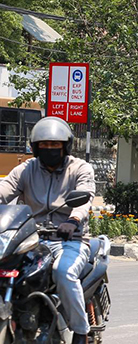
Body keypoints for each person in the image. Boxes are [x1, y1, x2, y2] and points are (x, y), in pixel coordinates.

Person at [0, 117, 96, 344]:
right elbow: (5, 189)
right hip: (30, 240)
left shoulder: (79, 168)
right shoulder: (26, 169)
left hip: (70, 239)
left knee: (63, 273)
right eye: (44, 144)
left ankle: (80, 332)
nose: (49, 148)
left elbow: (85, 198)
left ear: (65, 146)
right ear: (35, 147)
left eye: (55, 144)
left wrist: (73, 220)